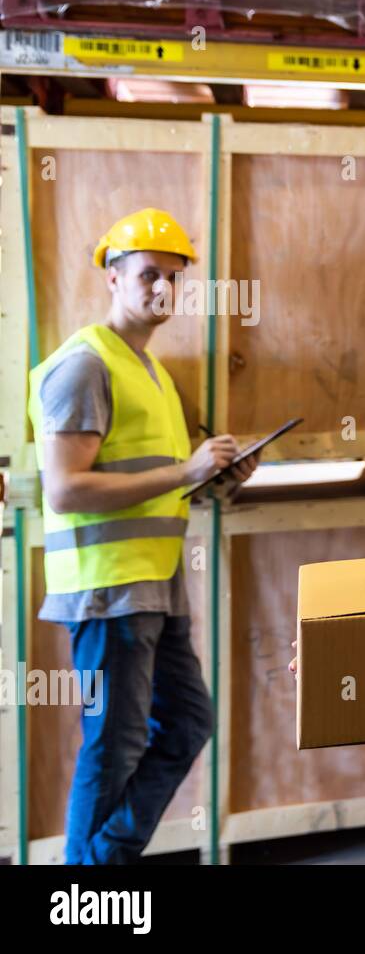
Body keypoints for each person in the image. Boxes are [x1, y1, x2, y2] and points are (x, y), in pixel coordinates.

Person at [28, 208, 259, 864]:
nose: (163, 289)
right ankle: (88, 885)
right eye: (149, 274)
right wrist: (185, 468)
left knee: (187, 725)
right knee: (115, 745)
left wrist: (220, 477)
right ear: (112, 277)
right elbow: (65, 489)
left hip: (156, 586)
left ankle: (100, 863)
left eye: (174, 278)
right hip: (108, 591)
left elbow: (165, 484)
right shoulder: (84, 366)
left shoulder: (154, 375)